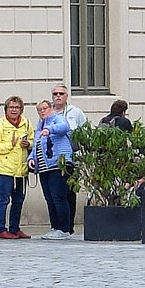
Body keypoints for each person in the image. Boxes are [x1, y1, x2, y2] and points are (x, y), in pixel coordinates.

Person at [29, 99, 74, 240]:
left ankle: (64, 229)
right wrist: (31, 158)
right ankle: (55, 227)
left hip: (58, 164)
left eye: (45, 108)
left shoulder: (57, 119)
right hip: (44, 168)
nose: (42, 111)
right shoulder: (40, 126)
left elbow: (64, 127)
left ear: (51, 108)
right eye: (39, 110)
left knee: (59, 197)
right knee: (49, 198)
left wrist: (50, 129)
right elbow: (37, 145)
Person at [0, 96, 33, 240]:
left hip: (21, 170)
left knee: (19, 200)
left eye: (17, 107)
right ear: (6, 110)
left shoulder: (26, 124)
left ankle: (14, 228)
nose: (14, 110)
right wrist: (11, 144)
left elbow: (33, 140)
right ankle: (1, 229)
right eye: (11, 107)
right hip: (5, 170)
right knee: (3, 200)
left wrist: (29, 144)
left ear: (21, 109)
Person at [51, 84, 86, 232]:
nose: (58, 96)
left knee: (69, 194)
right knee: (54, 195)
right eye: (55, 94)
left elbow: (85, 133)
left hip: (71, 160)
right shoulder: (49, 113)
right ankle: (56, 225)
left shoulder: (76, 112)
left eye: (61, 93)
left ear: (66, 96)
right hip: (52, 161)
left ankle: (68, 227)